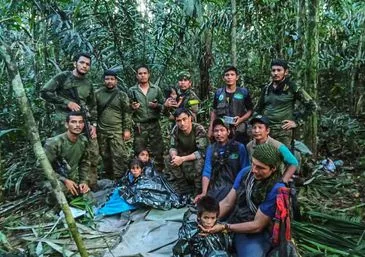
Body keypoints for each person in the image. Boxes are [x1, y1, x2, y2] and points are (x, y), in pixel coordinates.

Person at [199, 144, 287, 257]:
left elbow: (257, 225)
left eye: (260, 167)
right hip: (236, 219)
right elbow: (227, 202)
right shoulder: (246, 172)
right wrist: (209, 220)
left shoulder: (275, 188)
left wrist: (225, 227)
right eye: (253, 164)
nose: (254, 170)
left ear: (273, 168)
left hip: (254, 231)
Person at [41, 52, 99, 188]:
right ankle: (62, 183)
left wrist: (93, 124)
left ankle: (87, 183)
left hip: (83, 121)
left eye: (87, 64)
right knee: (62, 152)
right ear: (75, 63)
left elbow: (92, 105)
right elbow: (45, 92)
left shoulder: (88, 83)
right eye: (82, 63)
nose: (84, 66)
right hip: (64, 122)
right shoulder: (63, 77)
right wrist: (66, 103)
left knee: (90, 151)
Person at [256, 59, 317, 148]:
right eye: (273, 70)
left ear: (286, 72)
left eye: (279, 70)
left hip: (283, 131)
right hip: (266, 130)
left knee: (283, 158)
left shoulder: (292, 87)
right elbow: (258, 109)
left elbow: (312, 106)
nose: (275, 73)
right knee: (265, 158)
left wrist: (297, 122)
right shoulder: (266, 88)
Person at [195, 118, 249, 202]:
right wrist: (204, 192)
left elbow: (245, 170)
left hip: (234, 186)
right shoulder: (211, 148)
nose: (219, 134)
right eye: (216, 131)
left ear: (228, 131)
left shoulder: (239, 147)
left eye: (222, 130)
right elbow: (207, 171)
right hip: (216, 186)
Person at [95, 69, 133, 180]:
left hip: (117, 130)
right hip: (102, 131)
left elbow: (127, 113)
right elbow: (93, 111)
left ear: (116, 81)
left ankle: (120, 178)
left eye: (112, 79)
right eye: (107, 79)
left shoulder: (121, 95)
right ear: (104, 80)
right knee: (105, 156)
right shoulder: (97, 94)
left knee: (119, 156)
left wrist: (127, 129)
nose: (109, 81)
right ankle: (109, 177)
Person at [44, 112, 90, 198]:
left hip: (72, 178)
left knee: (89, 198)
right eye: (73, 122)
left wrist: (83, 182)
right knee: (59, 189)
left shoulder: (83, 141)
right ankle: (54, 207)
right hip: (55, 179)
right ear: (66, 125)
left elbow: (84, 163)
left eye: (80, 122)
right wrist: (64, 180)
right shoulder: (54, 143)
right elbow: (42, 168)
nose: (77, 125)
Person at [129, 65, 165, 171]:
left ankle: (158, 173)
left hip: (154, 124)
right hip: (140, 125)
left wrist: (156, 106)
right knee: (139, 150)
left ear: (149, 74)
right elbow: (127, 109)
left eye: (145, 73)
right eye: (140, 73)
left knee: (157, 150)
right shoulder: (132, 90)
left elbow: (164, 106)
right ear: (137, 76)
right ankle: (140, 173)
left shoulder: (156, 89)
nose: (143, 75)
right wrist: (133, 107)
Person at [165, 108, 208, 195]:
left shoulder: (198, 129)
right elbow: (172, 147)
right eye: (179, 121)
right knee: (168, 158)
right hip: (182, 156)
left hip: (195, 157)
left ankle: (198, 190)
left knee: (200, 162)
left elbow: (202, 152)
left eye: (184, 119)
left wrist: (182, 159)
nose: (182, 123)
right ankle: (183, 187)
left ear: (190, 118)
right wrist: (174, 156)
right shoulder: (176, 130)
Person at [246, 115, 298, 183]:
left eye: (260, 127)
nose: (256, 130)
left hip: (274, 180)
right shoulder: (249, 145)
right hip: (257, 178)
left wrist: (284, 180)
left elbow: (294, 162)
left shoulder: (277, 146)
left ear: (267, 130)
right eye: (254, 127)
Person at [209, 66, 253, 144]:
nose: (229, 77)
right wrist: (211, 127)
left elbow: (250, 110)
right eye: (227, 75)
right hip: (222, 130)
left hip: (239, 129)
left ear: (237, 77)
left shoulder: (243, 92)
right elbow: (214, 111)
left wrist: (241, 119)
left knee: (239, 150)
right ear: (223, 78)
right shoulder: (219, 93)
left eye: (232, 75)